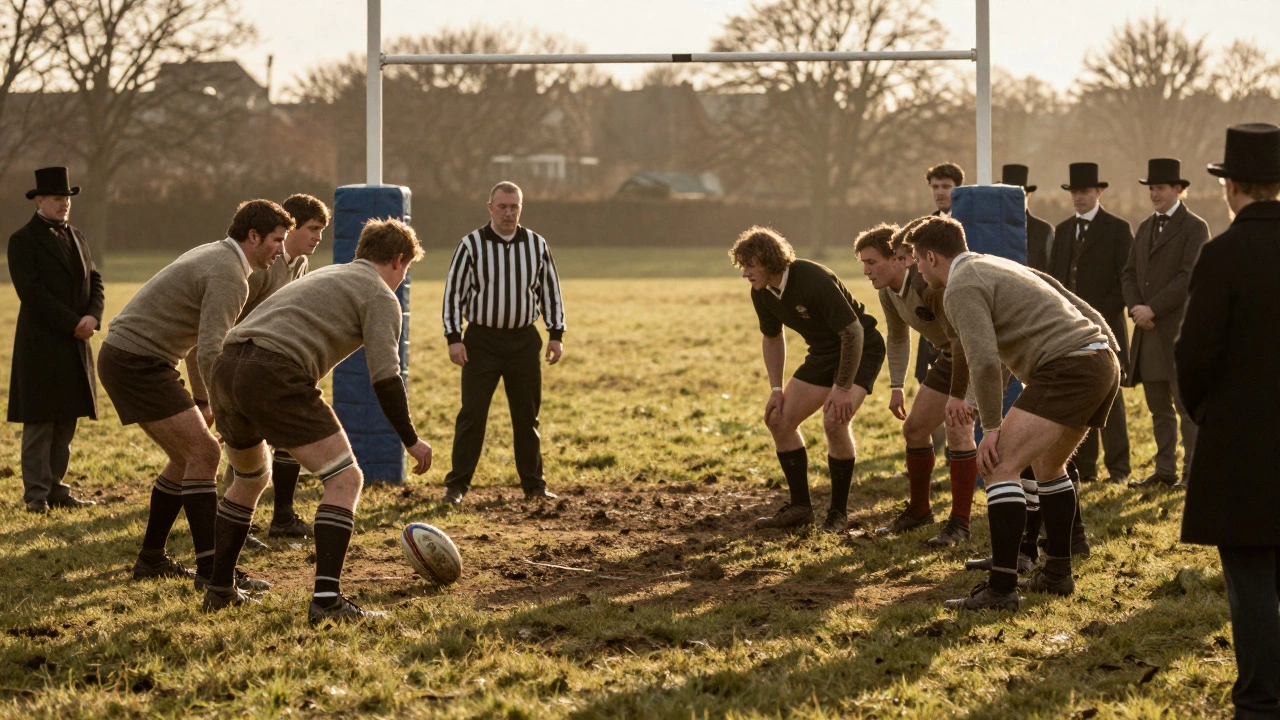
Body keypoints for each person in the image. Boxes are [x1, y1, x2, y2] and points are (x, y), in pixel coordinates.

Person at [202, 218, 432, 622]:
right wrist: (411, 440)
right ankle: (327, 601)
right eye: (406, 270)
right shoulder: (380, 295)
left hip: (228, 365)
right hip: (273, 371)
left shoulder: (329, 273)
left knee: (250, 478)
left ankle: (219, 589)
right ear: (398, 260)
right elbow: (387, 378)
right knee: (345, 479)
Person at [906, 216, 1120, 611]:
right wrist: (1107, 342)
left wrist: (990, 428)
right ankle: (1057, 572)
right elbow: (1067, 296)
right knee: (1047, 467)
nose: (917, 269)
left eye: (917, 260)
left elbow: (985, 362)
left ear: (932, 256)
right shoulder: (993, 263)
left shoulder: (960, 286)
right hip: (1098, 360)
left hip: (1069, 366)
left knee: (1000, 465)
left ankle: (1002, 590)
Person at [98, 200, 291, 587]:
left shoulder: (217, 255)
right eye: (275, 240)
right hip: (137, 363)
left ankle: (152, 559)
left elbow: (198, 343)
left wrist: (203, 402)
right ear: (252, 236)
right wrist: (218, 403)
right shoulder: (230, 276)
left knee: (187, 458)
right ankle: (212, 572)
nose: (280, 251)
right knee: (205, 452)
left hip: (136, 359)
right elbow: (209, 350)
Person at [1178, 122, 1280, 719]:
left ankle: (1261, 702)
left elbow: (1194, 355)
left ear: (1231, 186)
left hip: (1241, 442)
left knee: (1250, 585)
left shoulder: (1222, 254)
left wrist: (1208, 413)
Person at [192, 194, 332, 541]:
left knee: (272, 441)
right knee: (241, 449)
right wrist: (213, 392)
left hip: (266, 365)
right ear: (292, 227)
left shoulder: (299, 265)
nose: (318, 238)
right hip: (235, 367)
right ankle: (229, 524)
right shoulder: (257, 270)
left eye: (322, 231)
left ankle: (275, 518)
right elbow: (216, 330)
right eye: (313, 229)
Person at [731, 225, 885, 533]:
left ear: (771, 259)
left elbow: (852, 332)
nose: (746, 272)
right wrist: (776, 390)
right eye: (742, 266)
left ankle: (838, 514)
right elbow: (772, 338)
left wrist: (841, 389)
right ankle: (801, 508)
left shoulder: (812, 278)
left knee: (835, 421)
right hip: (824, 353)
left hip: (861, 347)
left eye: (751, 265)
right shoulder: (761, 292)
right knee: (778, 420)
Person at [441, 181, 565, 505]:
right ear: (490, 207)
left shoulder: (537, 245)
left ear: (520, 208)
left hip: (524, 341)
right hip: (481, 341)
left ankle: (534, 486)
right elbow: (453, 295)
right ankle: (457, 486)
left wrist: (556, 334)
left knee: (527, 417)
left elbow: (550, 292)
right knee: (472, 415)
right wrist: (454, 338)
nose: (508, 213)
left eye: (514, 207)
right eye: (502, 207)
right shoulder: (470, 245)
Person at [856, 221, 977, 546]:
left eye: (872, 262)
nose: (867, 271)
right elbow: (897, 337)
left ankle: (960, 524)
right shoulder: (887, 293)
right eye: (863, 264)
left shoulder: (929, 285)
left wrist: (961, 395)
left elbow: (968, 340)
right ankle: (919, 511)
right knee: (914, 430)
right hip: (950, 356)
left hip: (974, 355)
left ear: (900, 259)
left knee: (958, 429)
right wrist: (896, 387)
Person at [7, 167, 102, 513]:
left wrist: (93, 316)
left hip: (75, 343)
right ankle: (36, 495)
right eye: (58, 198)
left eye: (67, 199)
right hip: (41, 345)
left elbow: (96, 279)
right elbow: (32, 293)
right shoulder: (22, 240)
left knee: (66, 420)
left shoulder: (77, 235)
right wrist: (74, 322)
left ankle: (56, 489)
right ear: (39, 201)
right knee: (40, 422)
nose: (64, 204)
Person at [1122, 159, 1210, 490]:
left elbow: (1190, 276)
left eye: (1161, 188)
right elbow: (1128, 273)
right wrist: (1135, 309)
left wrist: (1152, 309)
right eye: (1152, 188)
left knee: (1184, 406)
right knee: (1158, 408)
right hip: (1146, 333)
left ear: (1178, 189)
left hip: (1178, 332)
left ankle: (1193, 473)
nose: (1155, 194)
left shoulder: (1195, 227)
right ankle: (1165, 472)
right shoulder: (1144, 227)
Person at [1048, 162, 1132, 484]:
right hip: (1070, 329)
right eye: (1074, 192)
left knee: (1114, 397)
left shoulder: (1117, 228)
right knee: (1080, 395)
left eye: (1084, 192)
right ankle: (1084, 468)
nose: (1078, 198)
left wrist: (1096, 315)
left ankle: (1119, 469)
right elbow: (1055, 278)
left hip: (1106, 325)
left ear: (1099, 192)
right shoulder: (1065, 229)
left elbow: (1124, 278)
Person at [920, 162, 965, 454]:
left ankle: (960, 460)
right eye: (934, 187)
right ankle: (934, 456)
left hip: (962, 323)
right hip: (935, 323)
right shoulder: (924, 227)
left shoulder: (970, 224)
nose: (939, 192)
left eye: (945, 186)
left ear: (958, 188)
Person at [1000, 164, 1055, 272]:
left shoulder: (1044, 231)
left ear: (1027, 195)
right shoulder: (994, 229)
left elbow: (1053, 271)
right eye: (1009, 195)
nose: (1013, 200)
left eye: (1018, 195)